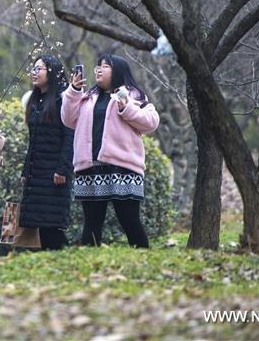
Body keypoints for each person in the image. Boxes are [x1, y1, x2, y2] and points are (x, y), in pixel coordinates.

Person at [61, 53, 159, 248]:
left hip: (123, 167)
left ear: (118, 71)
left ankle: (144, 259)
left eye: (105, 66)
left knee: (129, 219)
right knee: (91, 223)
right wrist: (73, 91)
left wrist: (127, 109)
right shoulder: (87, 96)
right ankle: (88, 267)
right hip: (90, 167)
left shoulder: (133, 95)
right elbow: (68, 119)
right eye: (98, 66)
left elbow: (151, 122)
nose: (99, 69)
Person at [19, 54, 75, 251]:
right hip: (37, 172)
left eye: (39, 69)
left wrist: (63, 168)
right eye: (33, 68)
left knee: (53, 227)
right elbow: (32, 141)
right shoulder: (36, 101)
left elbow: (70, 137)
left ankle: (64, 263)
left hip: (54, 173)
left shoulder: (63, 100)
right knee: (41, 226)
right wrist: (26, 171)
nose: (34, 73)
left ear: (51, 72)